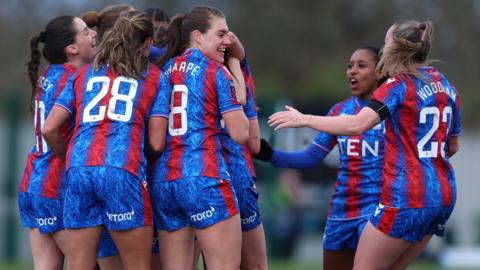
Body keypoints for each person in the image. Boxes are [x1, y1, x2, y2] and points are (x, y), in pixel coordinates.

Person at [269, 20, 461, 270]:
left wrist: (303, 119)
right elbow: (453, 146)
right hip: (444, 194)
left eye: (387, 41)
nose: (384, 47)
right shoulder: (444, 83)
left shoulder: (397, 85)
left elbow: (357, 125)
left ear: (397, 47)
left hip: (407, 197)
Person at [42, 11, 170, 270]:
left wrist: (71, 159)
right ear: (147, 44)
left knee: (79, 265)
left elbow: (50, 129)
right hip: (122, 171)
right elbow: (157, 143)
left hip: (79, 171)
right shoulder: (155, 77)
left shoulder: (83, 74)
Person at [255, 46, 384, 270]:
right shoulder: (339, 110)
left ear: (380, 72)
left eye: (361, 66)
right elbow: (310, 157)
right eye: (349, 66)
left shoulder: (393, 111)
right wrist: (266, 153)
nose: (352, 71)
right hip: (341, 211)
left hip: (377, 211)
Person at [150, 6, 249, 270]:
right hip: (204, 178)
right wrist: (235, 72)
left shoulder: (164, 70)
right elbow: (241, 134)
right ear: (198, 36)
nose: (227, 41)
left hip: (165, 183)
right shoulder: (216, 71)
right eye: (221, 34)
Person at [18, 15, 97, 270]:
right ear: (71, 49)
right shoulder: (73, 78)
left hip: (33, 183)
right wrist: (69, 161)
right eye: (86, 32)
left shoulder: (52, 73)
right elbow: (52, 131)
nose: (93, 34)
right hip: (56, 186)